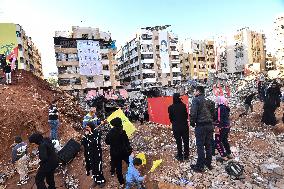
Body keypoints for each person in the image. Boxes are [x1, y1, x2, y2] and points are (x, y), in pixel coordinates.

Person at [190, 86, 214, 172]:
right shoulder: (209, 100)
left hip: (201, 126)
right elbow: (213, 113)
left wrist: (192, 123)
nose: (194, 92)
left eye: (195, 91)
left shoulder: (196, 100)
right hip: (210, 125)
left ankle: (200, 166)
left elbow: (193, 113)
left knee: (200, 146)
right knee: (208, 145)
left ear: (198, 91)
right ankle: (208, 163)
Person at [105, 117, 132, 188]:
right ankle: (132, 175)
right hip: (124, 152)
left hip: (115, 154)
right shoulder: (122, 131)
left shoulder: (110, 133)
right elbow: (127, 143)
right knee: (130, 163)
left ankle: (121, 183)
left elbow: (107, 142)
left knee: (118, 169)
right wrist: (130, 151)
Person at [81, 122, 106, 188]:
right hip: (89, 154)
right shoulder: (86, 134)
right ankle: (96, 180)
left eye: (88, 127)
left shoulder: (97, 133)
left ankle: (101, 181)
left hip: (96, 154)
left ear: (91, 127)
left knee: (98, 167)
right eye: (86, 127)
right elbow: (83, 143)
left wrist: (87, 136)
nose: (86, 129)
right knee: (92, 167)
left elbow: (94, 142)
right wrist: (84, 137)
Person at [168, 93, 189, 161]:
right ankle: (186, 155)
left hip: (176, 126)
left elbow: (170, 118)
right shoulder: (183, 105)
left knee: (178, 141)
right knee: (186, 141)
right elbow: (186, 116)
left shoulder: (170, 107)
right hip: (184, 126)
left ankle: (180, 155)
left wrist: (174, 122)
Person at [214, 96, 232, 162]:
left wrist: (217, 126)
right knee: (224, 140)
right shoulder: (226, 108)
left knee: (217, 142)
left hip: (221, 127)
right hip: (227, 126)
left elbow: (219, 119)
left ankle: (223, 156)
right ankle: (229, 153)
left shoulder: (220, 108)